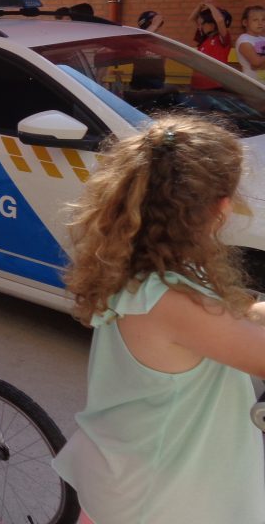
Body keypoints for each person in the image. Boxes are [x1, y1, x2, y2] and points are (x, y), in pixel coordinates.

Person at [52, 116, 265, 523]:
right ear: (220, 207)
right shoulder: (175, 301)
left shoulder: (147, 269)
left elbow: (236, 316)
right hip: (159, 498)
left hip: (131, 477)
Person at [187, 1, 231, 90]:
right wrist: (199, 6)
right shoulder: (203, 39)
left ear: (212, 24)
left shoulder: (221, 39)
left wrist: (210, 6)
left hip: (215, 87)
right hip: (197, 86)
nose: (199, 27)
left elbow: (220, 20)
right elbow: (191, 19)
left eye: (202, 24)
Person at [235, 4, 265, 80]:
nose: (260, 23)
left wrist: (260, 65)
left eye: (263, 20)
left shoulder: (262, 38)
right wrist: (259, 64)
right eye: (255, 20)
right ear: (245, 22)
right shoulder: (244, 40)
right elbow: (256, 63)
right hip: (251, 83)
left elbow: (258, 66)